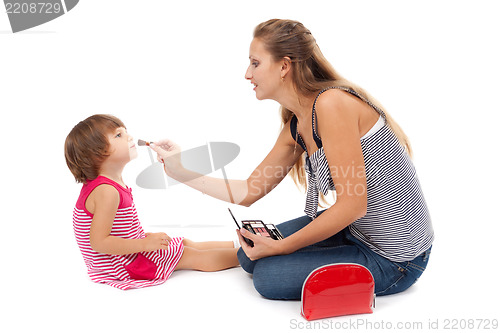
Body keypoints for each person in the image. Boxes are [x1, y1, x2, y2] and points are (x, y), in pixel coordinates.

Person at [150, 19, 434, 300]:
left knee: (268, 277)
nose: (247, 74)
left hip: (397, 257)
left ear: (284, 66)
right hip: (356, 232)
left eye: (255, 63)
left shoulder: (332, 104)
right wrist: (180, 171)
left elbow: (352, 205)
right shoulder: (297, 126)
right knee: (248, 256)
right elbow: (249, 191)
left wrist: (282, 247)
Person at [64, 114, 239, 290]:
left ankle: (240, 244)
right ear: (97, 153)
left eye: (126, 132)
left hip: (125, 254)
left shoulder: (108, 185)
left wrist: (142, 241)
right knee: (190, 255)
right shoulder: (106, 191)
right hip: (121, 264)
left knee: (183, 243)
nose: (129, 137)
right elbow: (99, 242)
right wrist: (144, 244)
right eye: (119, 135)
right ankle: (246, 256)